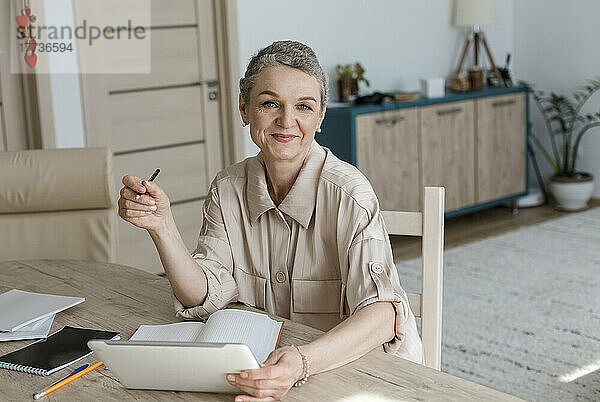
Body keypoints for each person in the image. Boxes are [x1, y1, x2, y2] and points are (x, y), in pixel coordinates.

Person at [118, 40, 423, 401]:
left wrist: (299, 364)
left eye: (304, 107)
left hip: (354, 376)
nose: (286, 121)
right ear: (245, 109)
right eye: (269, 103)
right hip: (267, 370)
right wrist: (162, 226)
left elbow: (383, 314)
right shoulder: (227, 188)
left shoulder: (349, 194)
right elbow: (202, 294)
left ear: (321, 116)